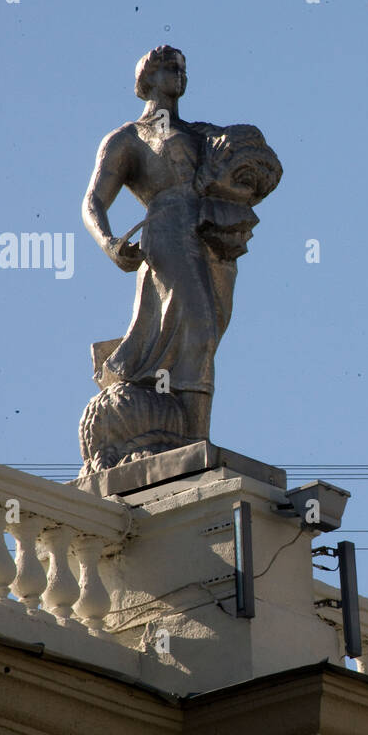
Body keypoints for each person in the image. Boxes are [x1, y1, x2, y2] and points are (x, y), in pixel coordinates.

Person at [80, 46, 279, 453]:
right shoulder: (127, 138)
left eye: (184, 68)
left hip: (215, 232)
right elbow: (92, 202)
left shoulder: (201, 132)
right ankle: (194, 443)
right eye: (171, 67)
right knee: (199, 328)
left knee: (208, 334)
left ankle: (192, 439)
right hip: (168, 227)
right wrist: (110, 243)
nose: (180, 74)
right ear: (147, 78)